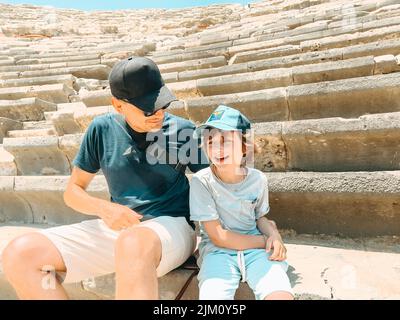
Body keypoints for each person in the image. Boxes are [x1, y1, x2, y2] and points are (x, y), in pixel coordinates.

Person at [2, 56, 209, 300]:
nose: (158, 114)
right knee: (20, 254)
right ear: (118, 105)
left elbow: (214, 181)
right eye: (147, 107)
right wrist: (105, 209)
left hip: (172, 229)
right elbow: (73, 191)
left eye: (162, 104)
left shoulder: (182, 131)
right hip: (119, 230)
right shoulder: (101, 129)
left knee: (134, 243)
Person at [189, 105, 294, 300]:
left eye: (225, 141)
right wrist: (265, 241)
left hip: (256, 252)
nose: (217, 148)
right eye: (210, 141)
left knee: (280, 293)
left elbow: (260, 218)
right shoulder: (201, 181)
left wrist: (274, 235)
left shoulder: (258, 179)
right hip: (218, 253)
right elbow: (219, 236)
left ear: (245, 146)